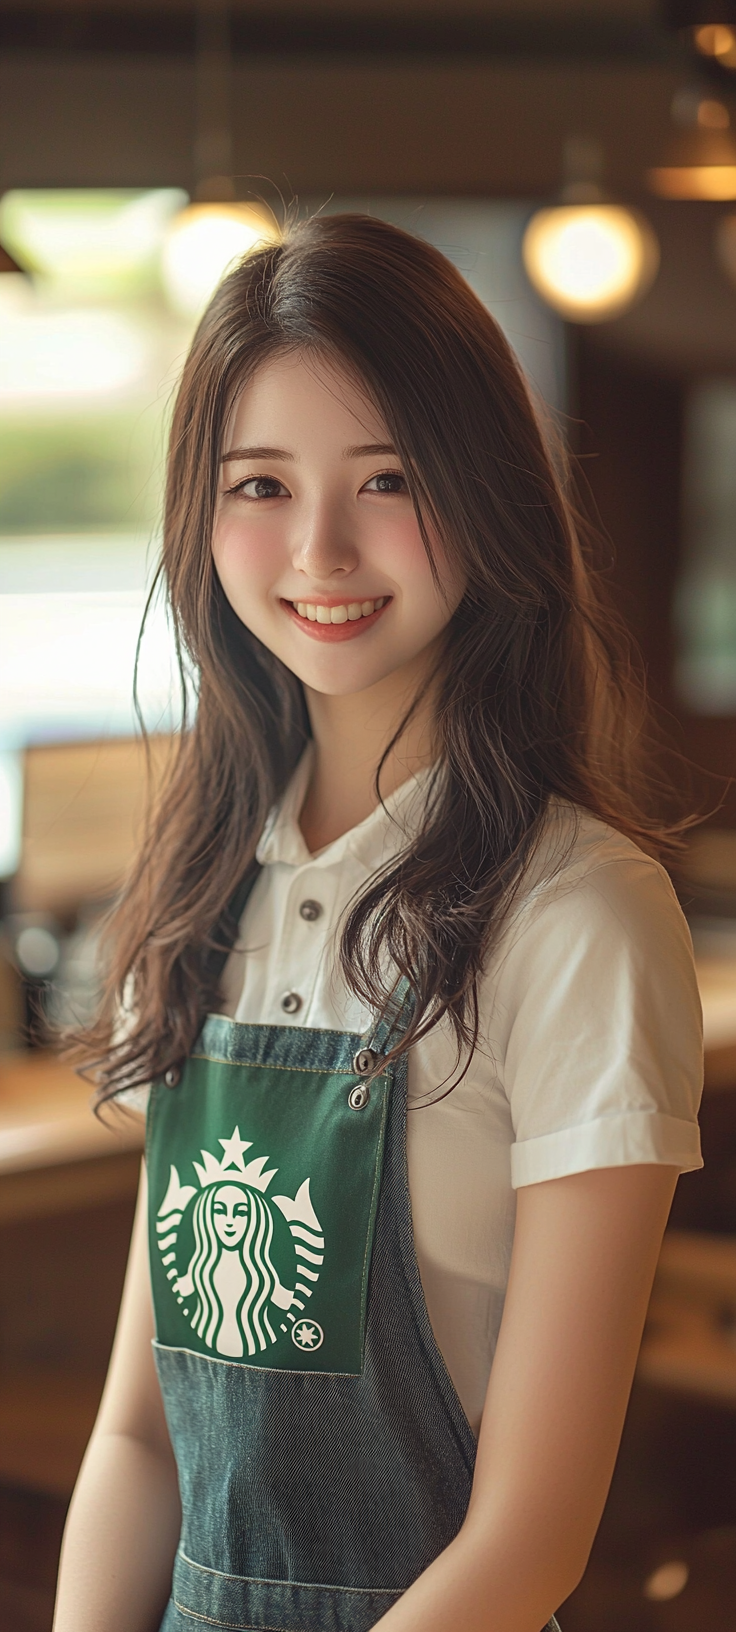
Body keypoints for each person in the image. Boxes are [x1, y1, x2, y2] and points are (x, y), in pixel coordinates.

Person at [53, 214, 703, 1632]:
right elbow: (139, 1440)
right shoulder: (201, 889)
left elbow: (528, 1541)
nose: (322, 548)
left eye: (388, 478)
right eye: (263, 485)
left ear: (486, 494)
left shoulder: (578, 915)